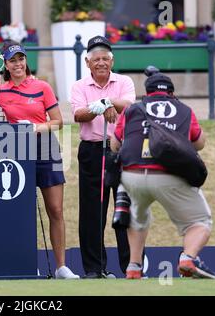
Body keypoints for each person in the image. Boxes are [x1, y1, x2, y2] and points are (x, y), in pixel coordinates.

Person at [111, 71, 215, 279]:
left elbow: (115, 145)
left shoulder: (132, 109)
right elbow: (199, 143)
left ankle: (133, 267)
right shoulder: (185, 110)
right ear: (171, 92)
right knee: (200, 222)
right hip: (169, 174)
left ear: (147, 92)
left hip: (131, 175)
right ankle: (187, 258)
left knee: (137, 217)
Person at [0, 41, 79, 279]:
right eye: (13, 60)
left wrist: (35, 127)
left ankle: (61, 266)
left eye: (21, 59)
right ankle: (27, 263)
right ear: (6, 64)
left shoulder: (42, 86)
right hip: (14, 151)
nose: (18, 64)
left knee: (55, 209)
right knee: (21, 211)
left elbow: (58, 121)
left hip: (46, 148)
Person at [70, 35, 135, 278]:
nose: (101, 63)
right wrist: (103, 106)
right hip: (92, 151)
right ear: (87, 62)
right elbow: (78, 114)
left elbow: (129, 107)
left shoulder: (124, 81)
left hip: (122, 150)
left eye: (105, 58)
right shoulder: (79, 85)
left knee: (125, 208)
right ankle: (94, 269)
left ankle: (131, 266)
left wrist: (106, 102)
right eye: (96, 59)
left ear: (112, 60)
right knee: (92, 211)